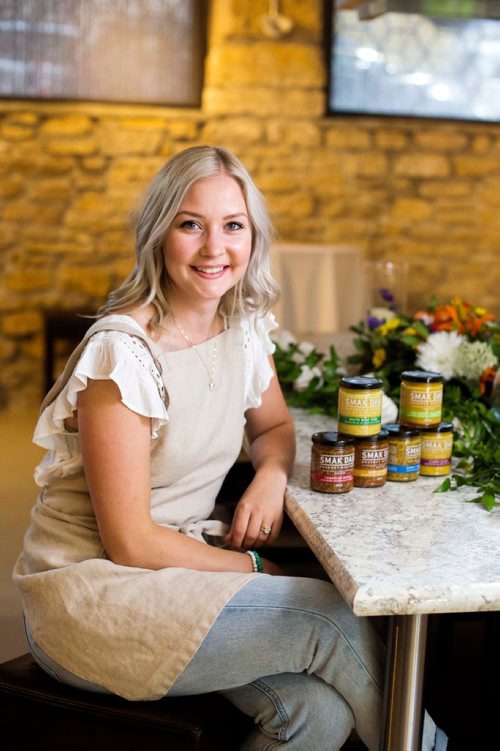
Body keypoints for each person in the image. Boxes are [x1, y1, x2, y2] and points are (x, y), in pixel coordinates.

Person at [13, 145, 444, 751]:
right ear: (159, 234)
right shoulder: (122, 356)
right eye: (191, 224)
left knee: (315, 714)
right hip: (94, 595)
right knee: (331, 615)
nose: (215, 248)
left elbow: (273, 429)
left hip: (180, 573)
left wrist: (269, 477)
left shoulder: (240, 327)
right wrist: (262, 568)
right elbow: (130, 543)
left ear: (253, 238)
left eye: (233, 226)